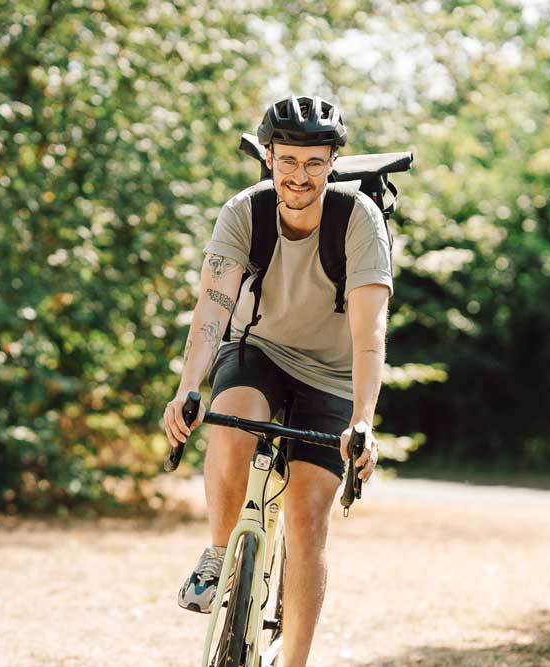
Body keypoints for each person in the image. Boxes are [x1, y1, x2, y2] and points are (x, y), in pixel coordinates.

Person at [164, 96, 390, 667]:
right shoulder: (244, 212)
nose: (300, 175)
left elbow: (368, 334)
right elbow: (212, 310)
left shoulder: (358, 220)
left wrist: (363, 418)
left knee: (308, 523)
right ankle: (219, 556)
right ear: (268, 156)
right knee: (232, 419)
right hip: (259, 350)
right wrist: (189, 387)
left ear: (333, 162)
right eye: (288, 160)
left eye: (314, 162)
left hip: (334, 374)